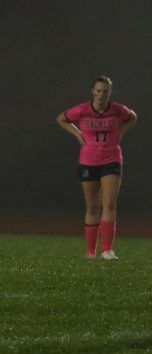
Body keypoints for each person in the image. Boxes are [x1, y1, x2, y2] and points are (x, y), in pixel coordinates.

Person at [56, 76, 137, 260]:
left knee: (109, 204)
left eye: (105, 92)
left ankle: (107, 250)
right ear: (93, 91)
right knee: (92, 206)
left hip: (111, 158)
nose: (101, 95)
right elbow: (61, 119)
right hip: (89, 160)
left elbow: (132, 117)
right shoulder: (83, 110)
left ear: (110, 94)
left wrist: (121, 132)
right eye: (98, 91)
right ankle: (91, 252)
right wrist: (77, 134)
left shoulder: (117, 110)